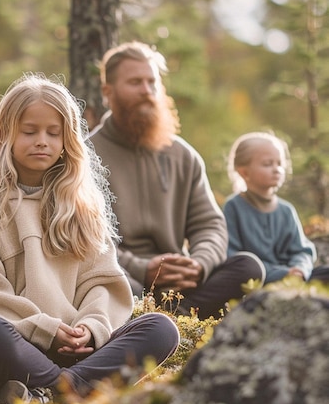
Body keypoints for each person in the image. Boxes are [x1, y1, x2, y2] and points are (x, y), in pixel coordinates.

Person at [0, 73, 180, 404]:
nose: (42, 140)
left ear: (67, 141)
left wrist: (90, 326)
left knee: (161, 328)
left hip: (79, 347)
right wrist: (44, 330)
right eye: (29, 131)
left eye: (53, 133)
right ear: (6, 137)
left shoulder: (83, 211)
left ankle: (53, 389)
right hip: (17, 346)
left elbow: (102, 284)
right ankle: (76, 388)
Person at [90, 41, 265, 320]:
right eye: (135, 82)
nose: (147, 91)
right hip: (126, 277)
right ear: (108, 92)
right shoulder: (85, 157)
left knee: (248, 268)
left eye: (152, 82)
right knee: (110, 282)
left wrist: (199, 264)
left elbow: (209, 225)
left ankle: (167, 320)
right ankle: (171, 322)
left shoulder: (183, 156)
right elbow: (85, 239)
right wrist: (143, 268)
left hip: (181, 285)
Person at [224, 131, 329, 284]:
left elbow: (302, 251)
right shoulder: (233, 207)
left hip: (295, 277)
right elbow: (232, 257)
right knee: (247, 268)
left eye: (279, 163)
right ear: (244, 172)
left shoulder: (286, 210)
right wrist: (282, 274)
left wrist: (299, 270)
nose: (276, 169)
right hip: (256, 280)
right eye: (267, 164)